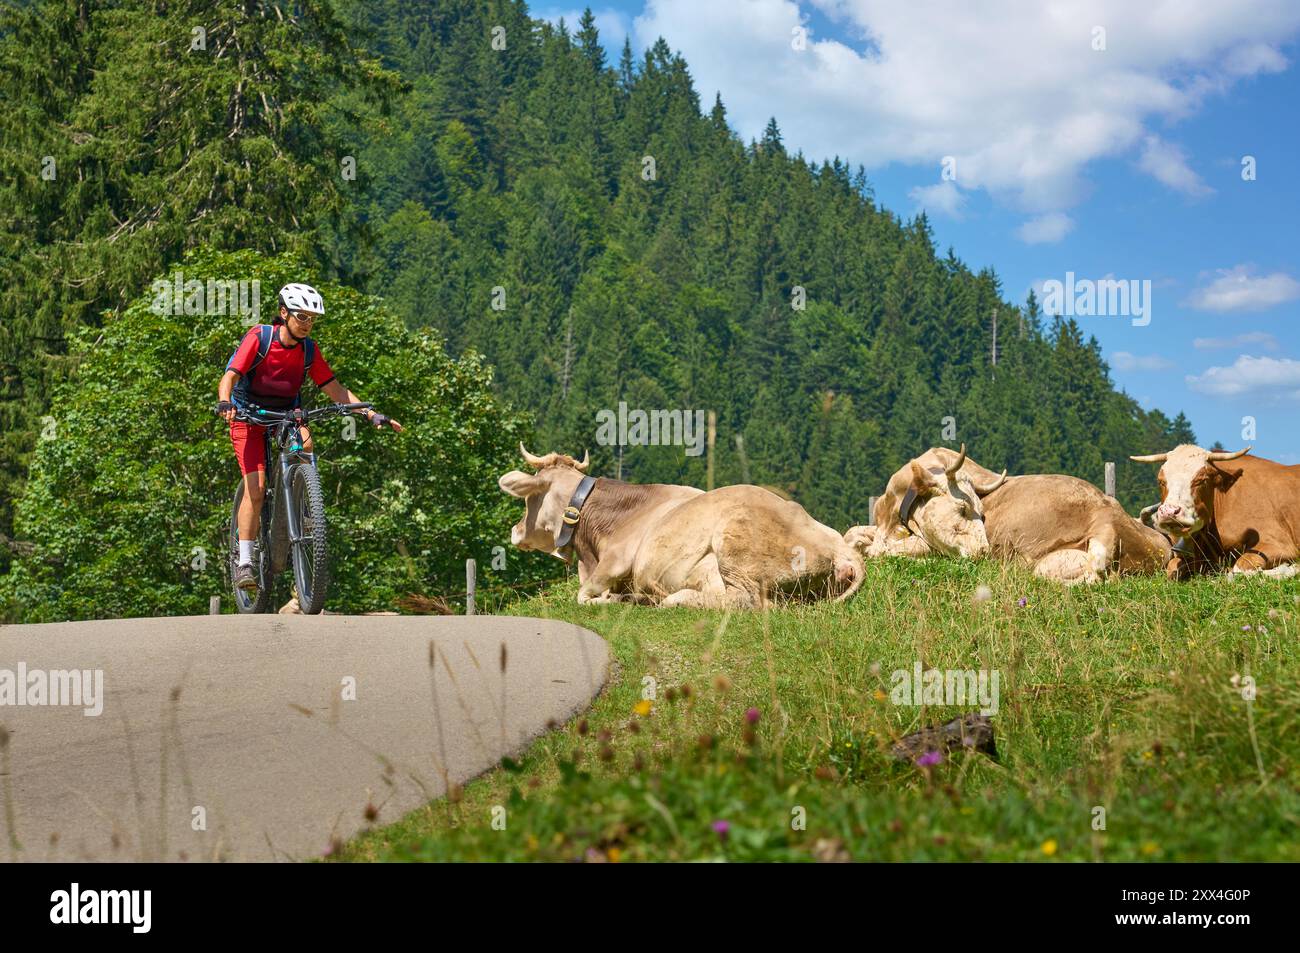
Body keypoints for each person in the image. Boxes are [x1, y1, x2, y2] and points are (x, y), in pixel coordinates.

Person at [217, 283, 403, 592]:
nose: (307, 324)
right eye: (301, 316)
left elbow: (334, 388)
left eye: (312, 319)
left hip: (286, 414)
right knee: (257, 488)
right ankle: (245, 561)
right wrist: (225, 403)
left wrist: (369, 413)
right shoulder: (260, 338)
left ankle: (305, 508)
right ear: (284, 313)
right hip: (247, 415)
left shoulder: (308, 350)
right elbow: (231, 375)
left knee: (305, 442)